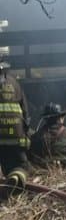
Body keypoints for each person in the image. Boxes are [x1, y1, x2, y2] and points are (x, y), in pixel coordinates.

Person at [0, 57, 30, 195]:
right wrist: (26, 133)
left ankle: (9, 182)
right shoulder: (15, 83)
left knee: (5, 163)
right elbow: (25, 111)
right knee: (21, 165)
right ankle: (16, 179)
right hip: (16, 134)